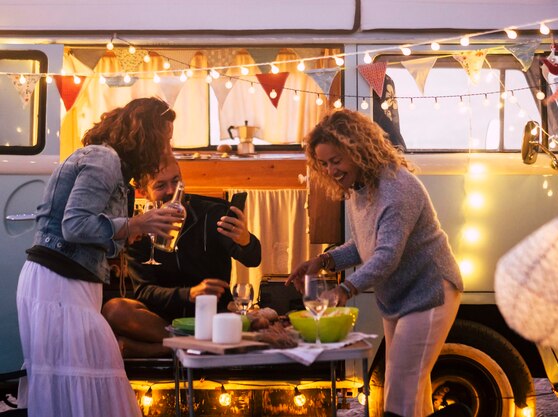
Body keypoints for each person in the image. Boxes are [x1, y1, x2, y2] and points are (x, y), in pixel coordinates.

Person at [287, 109, 463, 417]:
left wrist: (345, 289)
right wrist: (323, 260)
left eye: (337, 160)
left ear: (359, 150)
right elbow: (363, 244)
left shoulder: (396, 189)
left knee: (401, 389)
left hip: (430, 292)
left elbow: (386, 255)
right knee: (411, 391)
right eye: (324, 163)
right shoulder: (361, 187)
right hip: (399, 296)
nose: (331, 170)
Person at [15, 97, 182, 417]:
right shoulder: (103, 160)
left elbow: (101, 238)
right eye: (165, 137)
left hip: (63, 280)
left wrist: (135, 230)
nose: (167, 146)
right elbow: (75, 225)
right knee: (90, 375)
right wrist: (134, 223)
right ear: (146, 135)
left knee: (77, 383)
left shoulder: (113, 168)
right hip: (58, 282)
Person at [102, 154, 262, 358]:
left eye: (176, 181)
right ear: (144, 192)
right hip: (161, 321)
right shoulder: (138, 230)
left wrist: (246, 240)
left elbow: (253, 259)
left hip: (211, 315)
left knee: (250, 321)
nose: (171, 191)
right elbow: (145, 291)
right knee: (114, 309)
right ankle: (187, 345)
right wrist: (190, 293)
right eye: (160, 186)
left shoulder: (212, 212)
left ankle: (163, 348)